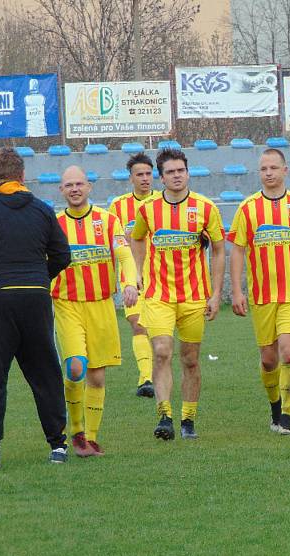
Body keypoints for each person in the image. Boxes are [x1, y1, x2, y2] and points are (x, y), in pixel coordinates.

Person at [0, 147, 71, 469]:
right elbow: (62, 255)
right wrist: (37, 278)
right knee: (46, 373)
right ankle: (58, 445)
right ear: (22, 176)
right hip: (35, 298)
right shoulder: (43, 210)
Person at [228, 149, 290, 435]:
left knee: (288, 354)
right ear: (259, 173)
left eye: (274, 167)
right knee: (269, 360)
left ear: (285, 171)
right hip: (262, 297)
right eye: (264, 169)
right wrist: (236, 291)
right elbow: (237, 251)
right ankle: (274, 407)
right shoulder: (247, 208)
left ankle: (286, 416)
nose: (269, 173)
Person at [130, 148, 226, 441]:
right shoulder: (147, 210)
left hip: (194, 297)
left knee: (190, 359)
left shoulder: (206, 208)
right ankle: (164, 416)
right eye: (170, 172)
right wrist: (138, 274)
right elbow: (135, 240)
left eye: (180, 171)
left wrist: (215, 293)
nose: (176, 176)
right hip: (158, 295)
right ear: (161, 177)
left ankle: (188, 419)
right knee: (161, 352)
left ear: (187, 172)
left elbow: (220, 250)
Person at [52, 166, 139, 457]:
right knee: (76, 366)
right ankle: (76, 432)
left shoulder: (109, 220)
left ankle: (90, 437)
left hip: (101, 304)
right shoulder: (53, 225)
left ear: (89, 187)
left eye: (79, 184)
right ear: (61, 191)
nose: (74, 189)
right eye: (68, 185)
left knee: (97, 376)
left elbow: (125, 256)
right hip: (67, 304)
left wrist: (129, 283)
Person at [109, 153, 156, 398]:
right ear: (131, 178)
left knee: (158, 331)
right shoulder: (118, 206)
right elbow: (114, 243)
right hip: (132, 276)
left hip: (161, 276)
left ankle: (158, 374)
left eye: (149, 174)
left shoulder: (163, 201)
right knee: (138, 325)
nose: (145, 178)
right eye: (140, 174)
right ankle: (145, 378)